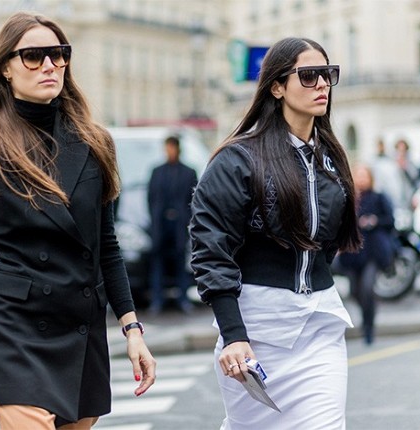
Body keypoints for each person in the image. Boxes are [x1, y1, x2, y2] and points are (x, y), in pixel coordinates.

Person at [0, 12, 155, 429]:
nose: (49, 65)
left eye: (59, 55)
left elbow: (105, 246)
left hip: (79, 324)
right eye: (33, 56)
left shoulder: (96, 143)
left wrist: (132, 329)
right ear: (6, 67)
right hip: (17, 327)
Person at [189, 37, 361, 429]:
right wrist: (233, 334)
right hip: (255, 329)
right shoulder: (238, 159)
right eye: (309, 75)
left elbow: (328, 245)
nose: (322, 85)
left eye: (328, 75)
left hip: (319, 323)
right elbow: (211, 250)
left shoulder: (330, 158)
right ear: (277, 86)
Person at [335, 164, 396, 345]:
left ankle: (369, 326)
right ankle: (367, 315)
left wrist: (374, 221)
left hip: (372, 251)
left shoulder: (379, 198)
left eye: (365, 176)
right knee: (355, 291)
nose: (362, 179)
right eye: (359, 176)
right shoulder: (348, 199)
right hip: (353, 253)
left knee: (367, 288)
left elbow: (391, 221)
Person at [147, 136, 198, 314]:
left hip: (179, 225)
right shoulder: (157, 172)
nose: (168, 151)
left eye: (171, 147)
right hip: (160, 225)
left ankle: (183, 299)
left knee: (179, 262)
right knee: (158, 263)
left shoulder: (189, 172)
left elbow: (193, 200)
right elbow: (151, 198)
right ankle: (157, 300)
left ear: (177, 148)